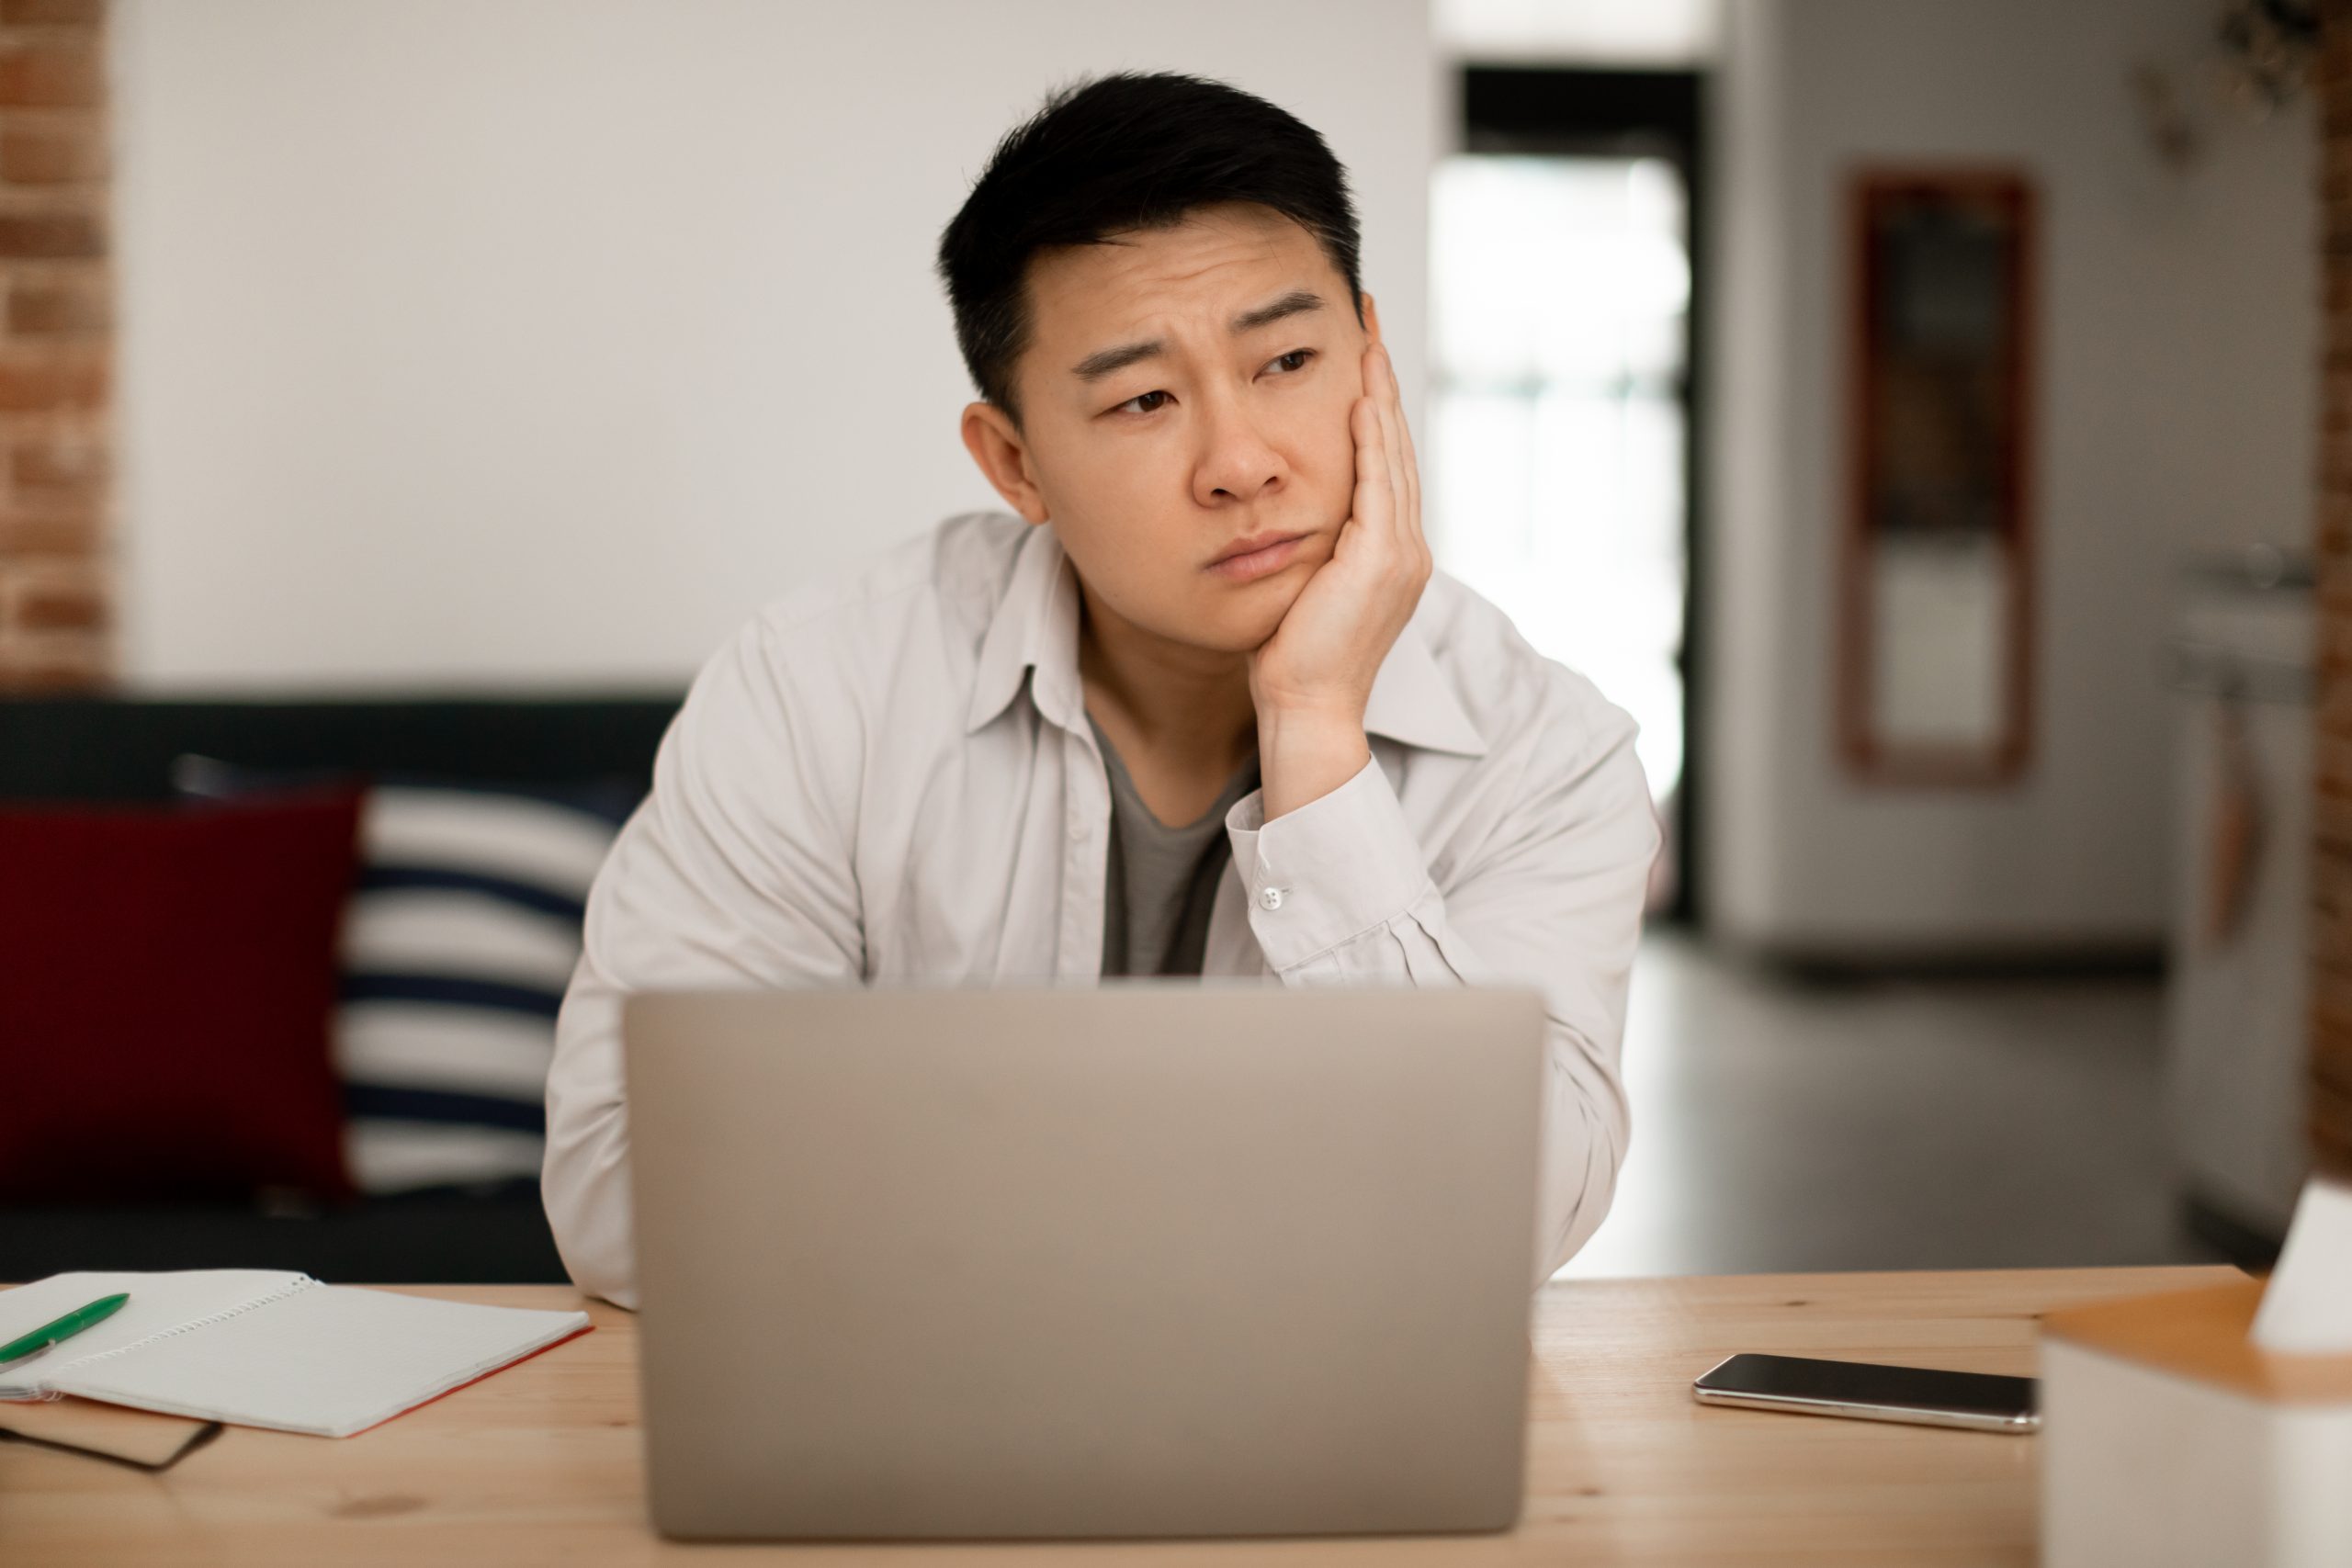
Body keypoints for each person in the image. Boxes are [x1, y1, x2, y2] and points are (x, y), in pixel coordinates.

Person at [542, 72, 1658, 1309]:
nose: (1242, 464)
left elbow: (1501, 1224)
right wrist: (1183, 1220)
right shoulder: (821, 691)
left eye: (1287, 359)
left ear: (1373, 362)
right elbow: (622, 1188)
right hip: (922, 1445)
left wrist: (1317, 733)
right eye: (1143, 400)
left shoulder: (1548, 755)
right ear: (1014, 462)